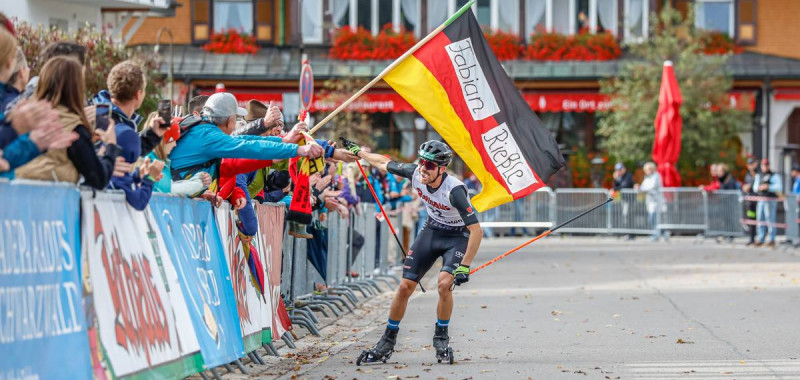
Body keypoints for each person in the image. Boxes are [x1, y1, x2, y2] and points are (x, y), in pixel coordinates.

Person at [343, 138, 482, 365]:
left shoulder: (454, 190)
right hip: (432, 230)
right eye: (421, 162)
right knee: (405, 285)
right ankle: (387, 341)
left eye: (429, 165)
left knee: (444, 284)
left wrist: (465, 265)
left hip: (457, 236)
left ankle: (441, 338)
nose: (423, 168)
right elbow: (383, 163)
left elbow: (476, 230)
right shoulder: (415, 173)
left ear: (441, 168)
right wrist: (360, 153)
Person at [14, 56, 122, 189]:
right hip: (49, 201)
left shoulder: (21, 117)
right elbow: (98, 178)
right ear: (76, 88)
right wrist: (111, 147)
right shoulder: (73, 128)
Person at [94, 60, 166, 210]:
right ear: (138, 94)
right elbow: (137, 200)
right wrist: (150, 177)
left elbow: (112, 176)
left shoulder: (98, 114)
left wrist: (151, 135)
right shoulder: (124, 132)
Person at [635, 162, 667, 242]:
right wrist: (639, 187)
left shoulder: (656, 176)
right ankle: (661, 233)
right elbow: (643, 186)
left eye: (649, 169)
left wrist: (641, 189)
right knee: (652, 218)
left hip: (656, 201)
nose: (647, 171)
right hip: (650, 201)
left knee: (654, 218)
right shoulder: (647, 177)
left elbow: (650, 187)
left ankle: (657, 234)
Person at [753, 159, 782, 248]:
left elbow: (779, 187)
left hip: (770, 200)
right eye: (763, 165)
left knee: (770, 219)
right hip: (761, 199)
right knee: (760, 219)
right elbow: (755, 187)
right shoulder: (759, 175)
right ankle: (761, 238)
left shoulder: (774, 175)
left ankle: (771, 239)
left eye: (766, 165)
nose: (765, 167)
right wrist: (760, 188)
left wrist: (768, 187)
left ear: (769, 166)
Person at [741, 156, 760, 246]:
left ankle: (760, 239)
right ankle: (751, 238)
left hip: (758, 201)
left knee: (759, 220)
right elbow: (746, 184)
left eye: (752, 164)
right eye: (749, 164)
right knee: (751, 220)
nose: (751, 166)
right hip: (750, 201)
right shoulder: (747, 174)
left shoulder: (758, 174)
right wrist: (745, 187)